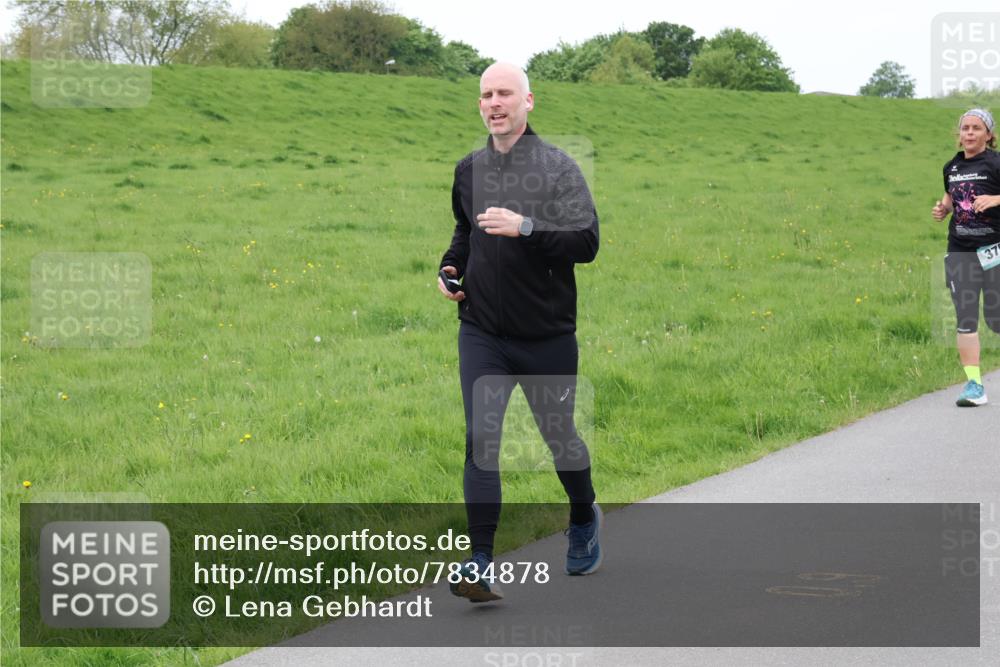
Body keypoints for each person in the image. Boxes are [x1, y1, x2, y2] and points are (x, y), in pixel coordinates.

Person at [437, 62, 602, 603]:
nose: (494, 102)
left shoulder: (557, 167)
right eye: (486, 95)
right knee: (482, 443)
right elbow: (464, 232)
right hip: (482, 330)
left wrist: (527, 228)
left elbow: (586, 242)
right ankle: (480, 562)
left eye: (504, 93)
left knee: (560, 441)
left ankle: (582, 515)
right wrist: (450, 270)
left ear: (528, 101)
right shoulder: (468, 170)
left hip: (546, 334)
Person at [932, 108, 1000, 406]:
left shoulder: (997, 163)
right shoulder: (951, 167)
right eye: (965, 128)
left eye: (976, 128)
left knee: (996, 319)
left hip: (995, 251)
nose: (969, 133)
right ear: (959, 134)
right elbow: (950, 197)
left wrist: (997, 198)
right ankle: (974, 385)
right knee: (966, 319)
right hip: (960, 250)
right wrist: (943, 208)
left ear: (989, 134)